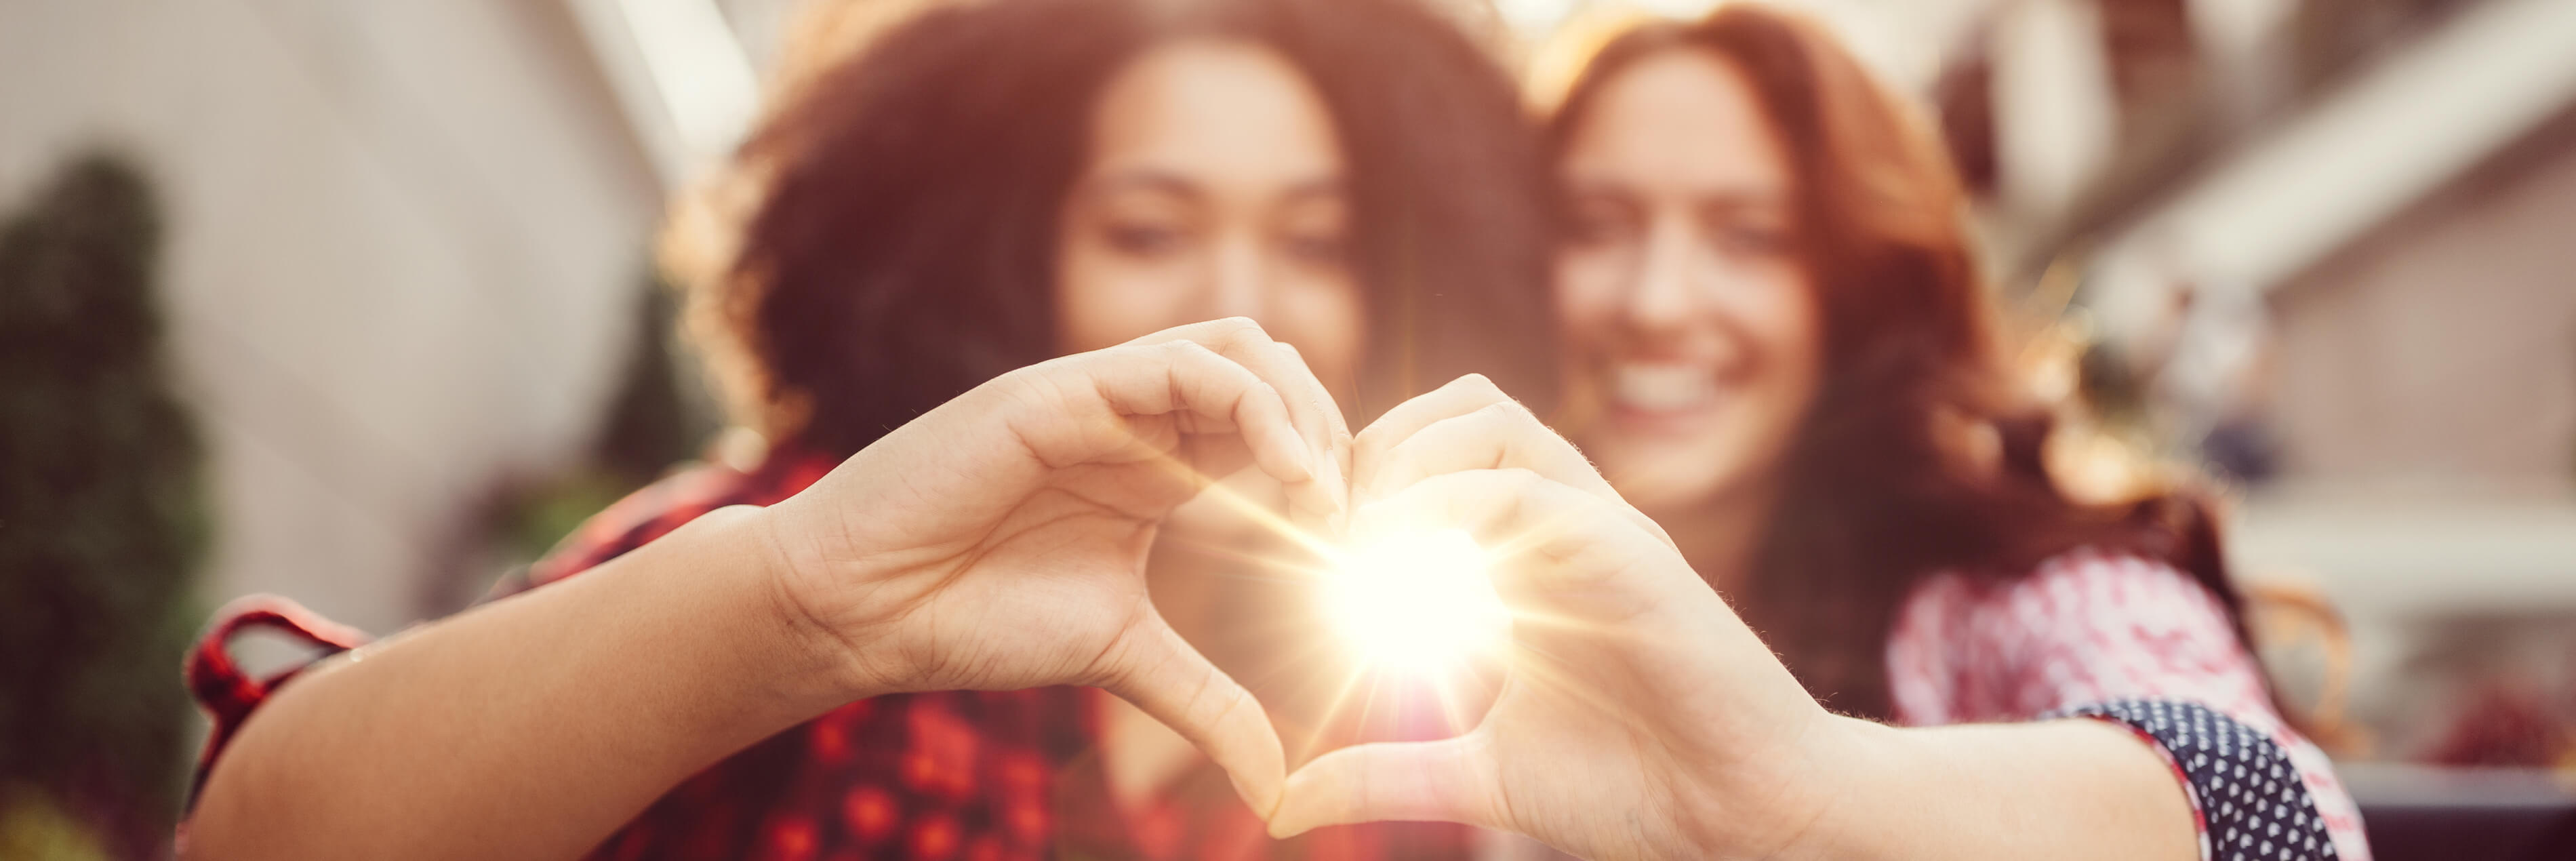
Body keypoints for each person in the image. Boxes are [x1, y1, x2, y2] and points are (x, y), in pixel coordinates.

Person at [178, 0, 1550, 857]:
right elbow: (251, 841)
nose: (1242, 306)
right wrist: (791, 610)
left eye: (1317, 241)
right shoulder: (802, 543)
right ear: (1008, 254)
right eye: (1147, 228)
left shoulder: (1399, 761)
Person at [1264, 5, 2369, 859]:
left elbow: (2290, 818)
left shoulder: (2007, 589)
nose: (1658, 298)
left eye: (1749, 237)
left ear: (1855, 285)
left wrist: (1798, 783)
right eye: (1598, 226)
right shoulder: (1436, 610)